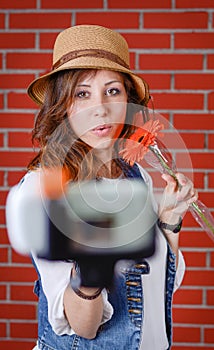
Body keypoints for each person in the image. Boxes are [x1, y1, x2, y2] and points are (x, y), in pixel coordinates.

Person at [6, 25, 198, 350]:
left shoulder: (135, 176)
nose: (101, 107)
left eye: (112, 91)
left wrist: (168, 221)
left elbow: (154, 289)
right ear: (63, 105)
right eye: (82, 93)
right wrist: (92, 267)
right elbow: (83, 327)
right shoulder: (46, 190)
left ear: (128, 101)